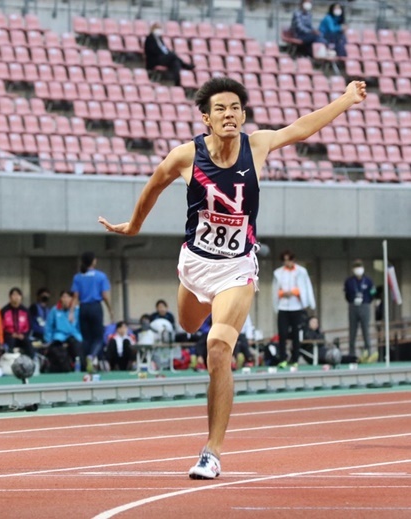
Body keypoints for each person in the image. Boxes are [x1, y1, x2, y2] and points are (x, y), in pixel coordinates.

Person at [98, 76, 366, 479]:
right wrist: (134, 225)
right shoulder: (185, 156)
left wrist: (345, 99)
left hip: (237, 268)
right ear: (206, 117)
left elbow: (302, 127)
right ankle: (207, 320)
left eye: (236, 108)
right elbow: (153, 186)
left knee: (217, 347)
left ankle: (212, 451)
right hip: (194, 264)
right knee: (189, 324)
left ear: (243, 115)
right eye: (221, 108)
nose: (229, 114)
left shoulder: (256, 146)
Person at [271, 250, 315, 368]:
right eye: (285, 260)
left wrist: (295, 292)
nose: (287, 262)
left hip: (297, 307)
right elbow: (275, 290)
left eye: (289, 260)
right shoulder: (278, 273)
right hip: (283, 307)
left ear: (293, 260)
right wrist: (282, 293)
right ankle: (283, 359)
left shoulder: (301, 271)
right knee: (283, 333)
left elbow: (306, 288)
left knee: (296, 334)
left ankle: (295, 359)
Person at [71, 251, 112, 372]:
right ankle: (91, 356)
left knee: (86, 338)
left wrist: (71, 312)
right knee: (98, 337)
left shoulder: (78, 277)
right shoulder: (100, 276)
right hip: (95, 307)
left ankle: (86, 365)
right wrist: (110, 309)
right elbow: (104, 295)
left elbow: (75, 296)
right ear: (94, 261)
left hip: (83, 308)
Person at [344, 259, 377, 363]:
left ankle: (368, 353)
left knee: (365, 330)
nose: (358, 269)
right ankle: (352, 354)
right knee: (352, 331)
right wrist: (352, 301)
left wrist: (366, 301)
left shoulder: (368, 280)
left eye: (359, 267)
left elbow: (373, 293)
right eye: (356, 267)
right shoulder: (349, 281)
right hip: (353, 305)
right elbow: (347, 295)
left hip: (365, 305)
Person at [144, 21, 194, 87]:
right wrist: (165, 54)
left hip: (162, 58)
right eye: (157, 28)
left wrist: (167, 54)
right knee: (173, 55)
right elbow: (151, 50)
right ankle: (185, 65)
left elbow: (164, 49)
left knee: (175, 63)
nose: (159, 30)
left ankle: (177, 82)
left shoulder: (160, 39)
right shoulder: (149, 39)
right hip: (155, 59)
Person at [44, 290, 83, 373]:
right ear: (60, 298)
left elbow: (81, 326)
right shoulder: (55, 310)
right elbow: (49, 326)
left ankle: (79, 368)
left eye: (68, 297)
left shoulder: (77, 310)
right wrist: (48, 340)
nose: (65, 299)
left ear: (72, 299)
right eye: (63, 297)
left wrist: (81, 337)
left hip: (74, 335)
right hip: (59, 336)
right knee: (56, 350)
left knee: (77, 349)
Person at [1, 287, 34, 359]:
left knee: (28, 343)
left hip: (22, 336)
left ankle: (31, 362)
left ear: (21, 297)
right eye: (14, 295)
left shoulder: (25, 310)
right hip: (9, 336)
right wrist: (11, 334)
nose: (16, 297)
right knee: (10, 343)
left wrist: (23, 335)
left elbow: (29, 326)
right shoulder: (4, 311)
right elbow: (1, 327)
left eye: (18, 295)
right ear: (10, 297)